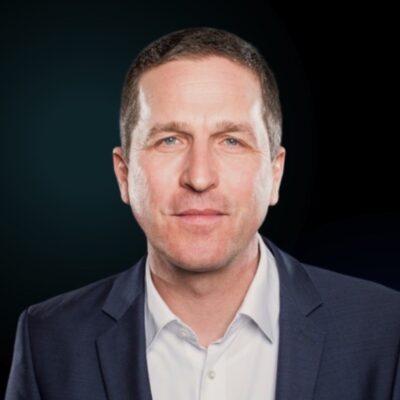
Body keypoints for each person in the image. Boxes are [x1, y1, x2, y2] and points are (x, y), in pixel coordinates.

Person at [5, 26, 400, 400]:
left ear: (275, 173)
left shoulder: (384, 328)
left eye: (231, 141)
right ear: (124, 175)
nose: (199, 177)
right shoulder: (48, 339)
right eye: (169, 140)